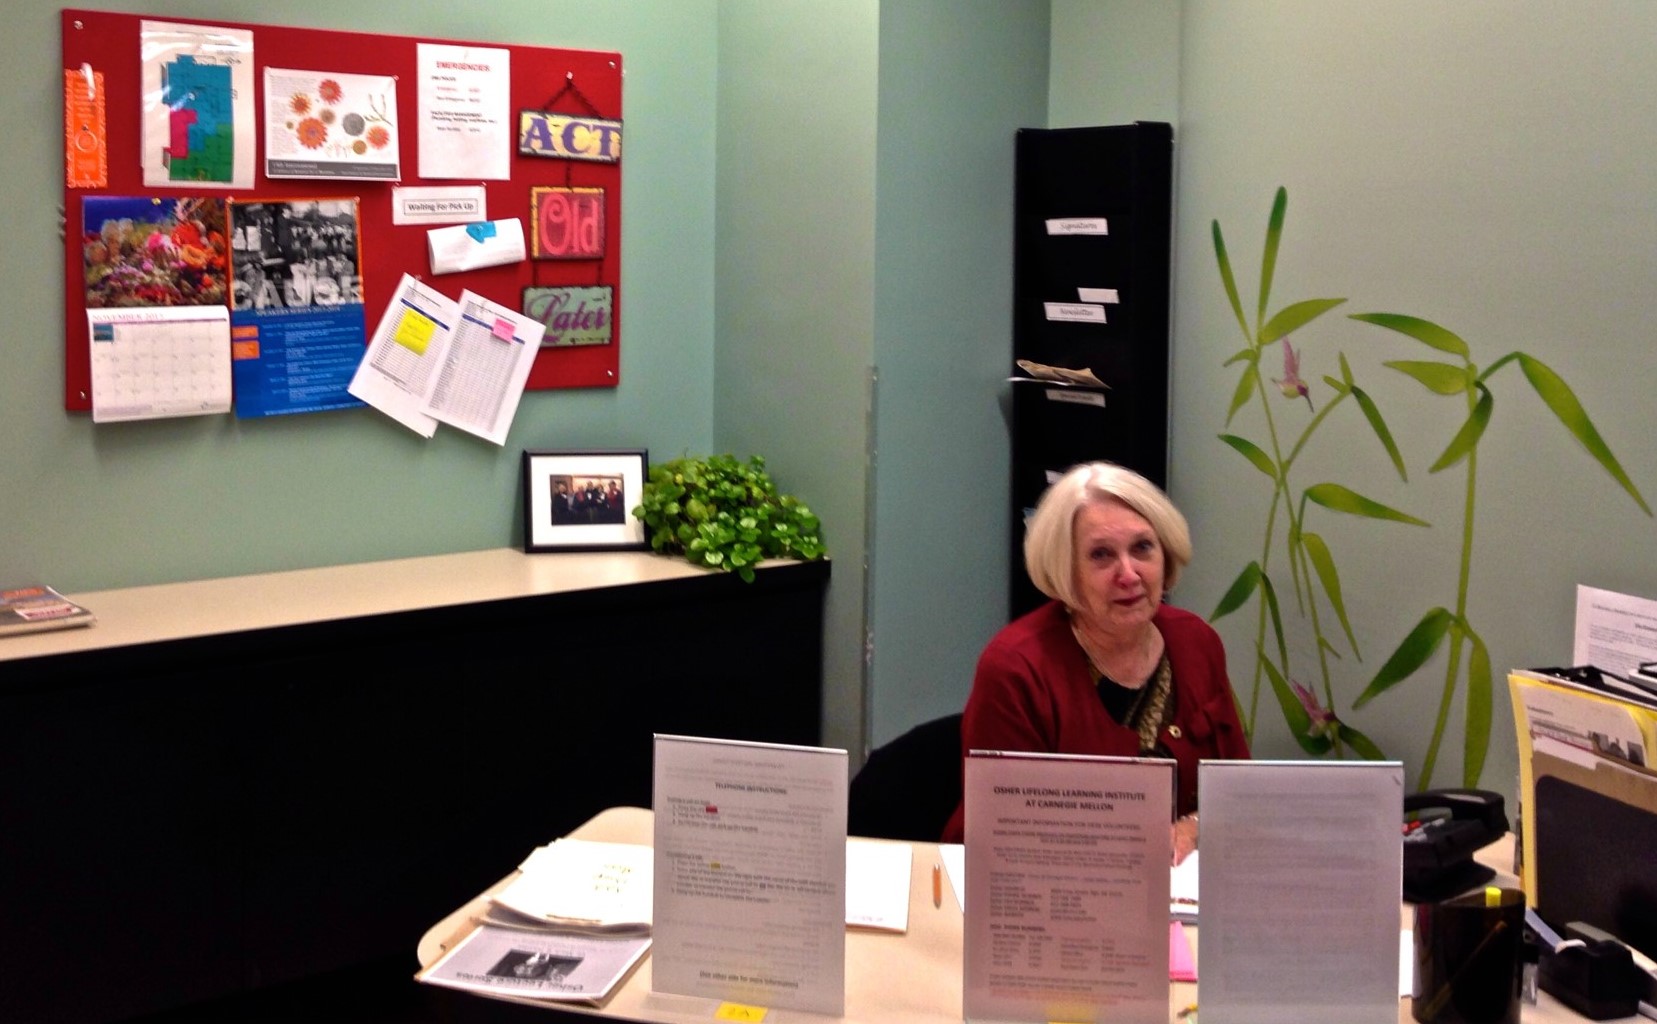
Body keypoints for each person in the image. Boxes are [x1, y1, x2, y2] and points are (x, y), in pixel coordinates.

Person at [940, 462, 1249, 863]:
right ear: (1066, 571)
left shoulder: (1197, 642)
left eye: (1142, 548)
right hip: (1054, 896)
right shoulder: (1016, 668)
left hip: (1184, 897)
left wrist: (1194, 826)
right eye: (1101, 555)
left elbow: (1239, 790)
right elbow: (1004, 834)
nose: (1129, 574)